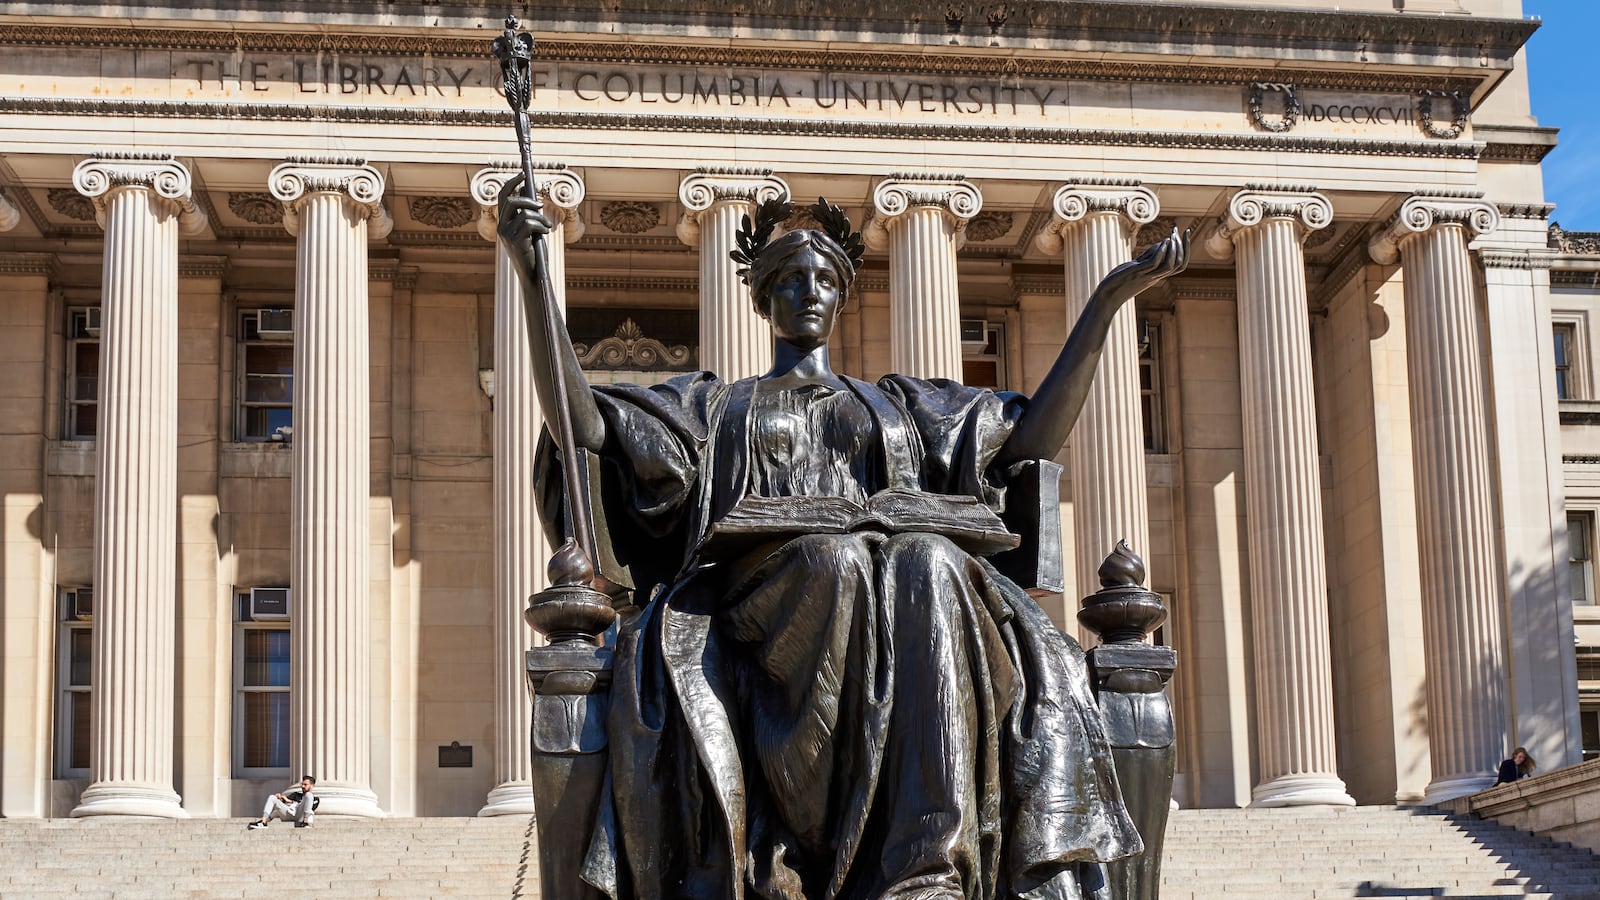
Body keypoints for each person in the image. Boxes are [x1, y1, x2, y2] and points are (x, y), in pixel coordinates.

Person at [500, 189, 1188, 900]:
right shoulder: (713, 406)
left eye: (825, 280)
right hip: (754, 596)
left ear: (842, 298)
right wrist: (533, 281)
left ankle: (928, 868)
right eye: (792, 280)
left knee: (929, 558)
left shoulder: (899, 408)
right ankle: (809, 842)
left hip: (889, 589)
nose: (810, 292)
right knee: (835, 557)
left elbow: (1032, 440)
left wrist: (1106, 304)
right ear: (764, 300)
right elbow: (585, 429)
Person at [248, 775, 318, 829]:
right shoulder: (296, 794)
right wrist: (280, 797)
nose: (302, 786)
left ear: (311, 786)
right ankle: (263, 822)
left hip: (300, 816)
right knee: (272, 797)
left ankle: (305, 823)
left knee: (309, 795)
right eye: (302, 784)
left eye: (305, 784)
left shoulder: (315, 799)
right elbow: (283, 802)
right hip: (288, 814)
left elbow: (310, 807)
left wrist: (291, 801)